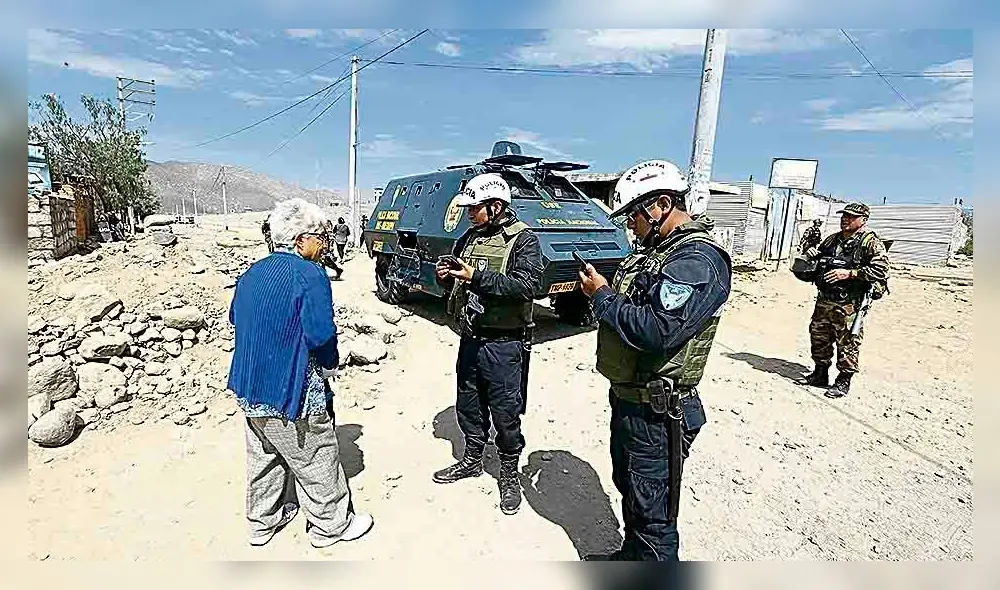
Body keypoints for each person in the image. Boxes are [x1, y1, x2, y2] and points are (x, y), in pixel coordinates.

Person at [577, 160, 732, 561]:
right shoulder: (659, 253)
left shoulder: (696, 260)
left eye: (634, 215)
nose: (631, 225)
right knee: (632, 490)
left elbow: (655, 331)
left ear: (661, 204)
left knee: (654, 515)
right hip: (633, 401)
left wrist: (602, 296)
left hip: (658, 414)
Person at [228, 198, 373, 549]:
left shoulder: (252, 272)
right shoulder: (309, 273)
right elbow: (321, 334)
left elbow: (235, 317)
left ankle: (262, 524)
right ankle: (330, 527)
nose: (324, 243)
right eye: (320, 236)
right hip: (290, 388)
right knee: (316, 454)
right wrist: (329, 365)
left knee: (263, 454)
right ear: (299, 240)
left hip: (250, 384)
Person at [432, 173, 544, 516]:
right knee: (468, 405)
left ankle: (509, 474)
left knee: (506, 414)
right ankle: (472, 459)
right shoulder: (469, 237)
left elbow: (527, 286)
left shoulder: (523, 240)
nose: (469, 213)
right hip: (471, 338)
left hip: (505, 345)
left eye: (474, 208)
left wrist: (475, 277)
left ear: (495, 207)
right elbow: (458, 273)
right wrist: (446, 275)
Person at [801, 202, 889, 398]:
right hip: (825, 299)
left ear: (864, 220)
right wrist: (812, 254)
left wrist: (850, 273)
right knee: (819, 336)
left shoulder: (870, 243)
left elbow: (882, 270)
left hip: (850, 303)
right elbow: (818, 262)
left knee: (848, 342)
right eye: (844, 215)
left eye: (851, 216)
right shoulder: (832, 240)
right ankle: (820, 374)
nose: (845, 219)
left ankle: (843, 381)